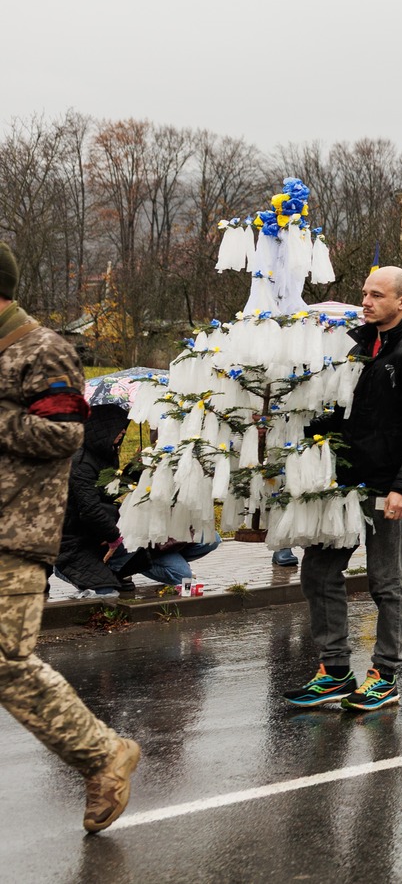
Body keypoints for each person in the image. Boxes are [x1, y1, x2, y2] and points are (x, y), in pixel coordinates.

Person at [0, 242, 142, 831]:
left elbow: (64, 434)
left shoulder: (44, 350)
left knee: (6, 663)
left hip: (14, 534)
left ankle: (102, 755)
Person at [283, 267, 402, 714]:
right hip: (342, 485)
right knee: (317, 572)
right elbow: (340, 413)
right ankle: (335, 670)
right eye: (365, 293)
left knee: (387, 581)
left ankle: (385, 675)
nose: (366, 301)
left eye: (377, 295)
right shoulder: (358, 348)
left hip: (385, 488)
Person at [55, 404, 220, 595]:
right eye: (120, 427)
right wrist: (116, 537)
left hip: (165, 534)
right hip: (137, 536)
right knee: (176, 573)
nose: (124, 431)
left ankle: (128, 565)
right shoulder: (83, 462)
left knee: (211, 539)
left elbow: (109, 490)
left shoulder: (109, 452)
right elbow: (94, 506)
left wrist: (134, 469)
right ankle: (121, 568)